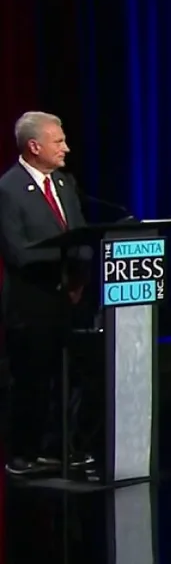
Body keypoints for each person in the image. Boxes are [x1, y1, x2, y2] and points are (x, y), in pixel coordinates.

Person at [0, 111, 92, 475]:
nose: (66, 148)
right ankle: (23, 452)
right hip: (31, 302)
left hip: (68, 298)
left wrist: (78, 275)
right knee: (31, 380)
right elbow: (18, 252)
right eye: (59, 141)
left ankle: (63, 447)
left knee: (69, 379)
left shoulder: (65, 184)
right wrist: (64, 258)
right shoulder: (8, 189)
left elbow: (81, 233)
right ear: (34, 146)